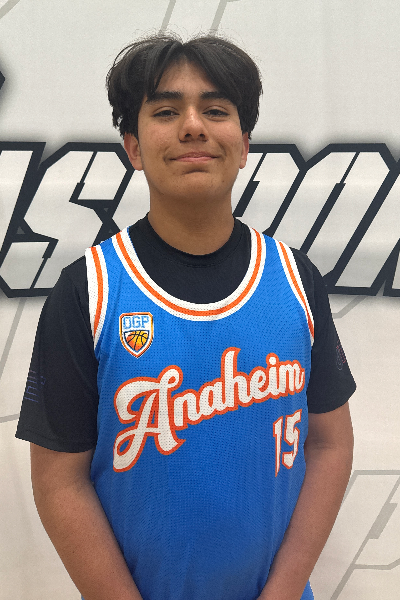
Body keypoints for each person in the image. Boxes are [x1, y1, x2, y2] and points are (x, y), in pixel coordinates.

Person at [16, 34, 355, 600]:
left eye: (215, 110)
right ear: (133, 146)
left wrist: (283, 591)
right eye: (166, 111)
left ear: (244, 144)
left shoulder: (297, 279)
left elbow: (330, 444)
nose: (193, 126)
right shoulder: (87, 291)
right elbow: (59, 482)